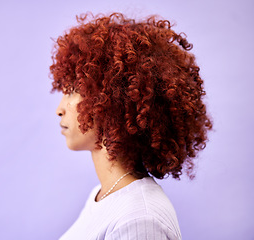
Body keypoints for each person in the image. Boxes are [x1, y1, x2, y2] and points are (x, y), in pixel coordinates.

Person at [50, 12, 212, 240]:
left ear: (112, 101)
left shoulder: (139, 220)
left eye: (73, 91)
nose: (60, 108)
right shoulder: (103, 196)